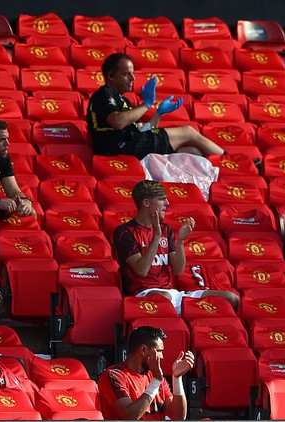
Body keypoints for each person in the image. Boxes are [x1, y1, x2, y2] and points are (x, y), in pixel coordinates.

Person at [114, 180, 239, 314]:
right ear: (146, 203)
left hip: (173, 294)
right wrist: (156, 236)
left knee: (231, 298)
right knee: (163, 298)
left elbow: (178, 270)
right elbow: (141, 270)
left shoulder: (166, 230)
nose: (167, 203)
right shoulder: (125, 232)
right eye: (162, 199)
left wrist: (180, 241)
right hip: (143, 294)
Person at [87, 53, 225, 158]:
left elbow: (144, 131)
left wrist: (159, 113)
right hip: (117, 147)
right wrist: (146, 105)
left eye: (132, 74)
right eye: (126, 74)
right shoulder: (104, 94)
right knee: (188, 131)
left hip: (133, 144)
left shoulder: (125, 102)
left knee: (191, 151)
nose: (132, 79)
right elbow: (117, 122)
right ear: (110, 75)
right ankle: (228, 162)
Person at [98, 326, 194, 420]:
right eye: (159, 351)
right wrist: (156, 382)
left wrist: (177, 378)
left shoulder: (155, 376)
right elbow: (130, 416)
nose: (162, 356)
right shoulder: (114, 375)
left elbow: (179, 417)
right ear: (143, 350)